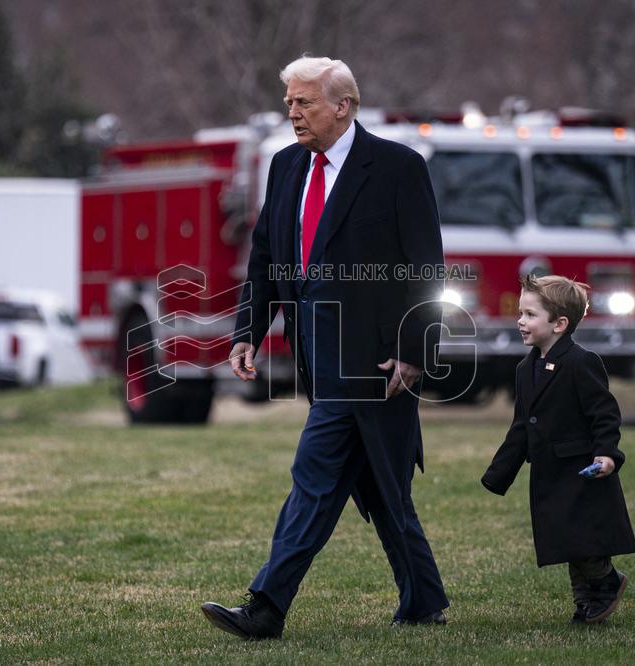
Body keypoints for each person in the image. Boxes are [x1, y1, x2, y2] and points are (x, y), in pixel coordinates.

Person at [200, 55, 450, 639]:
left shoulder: (397, 167)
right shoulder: (286, 167)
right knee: (383, 487)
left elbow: (427, 266)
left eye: (304, 101)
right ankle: (424, 599)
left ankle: (265, 607)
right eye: (289, 101)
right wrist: (247, 332)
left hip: (378, 365)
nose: (293, 112)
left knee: (313, 476)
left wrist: (416, 352)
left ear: (343, 106)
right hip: (319, 361)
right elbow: (266, 259)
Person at [481, 274, 635, 624]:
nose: (520, 321)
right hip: (550, 472)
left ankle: (605, 582)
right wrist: (498, 474)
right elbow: (522, 425)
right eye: (521, 313)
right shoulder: (525, 369)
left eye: (530, 314)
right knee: (564, 540)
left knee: (581, 538)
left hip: (581, 470)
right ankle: (585, 602)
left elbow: (604, 414)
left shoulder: (582, 362)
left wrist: (607, 454)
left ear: (559, 324)